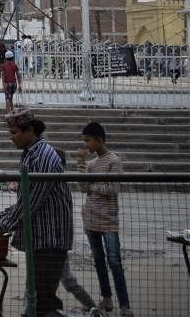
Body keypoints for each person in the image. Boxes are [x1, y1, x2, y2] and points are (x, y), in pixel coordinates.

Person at [0, 109, 73, 317]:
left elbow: (30, 202)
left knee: (42, 302)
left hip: (51, 238)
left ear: (29, 130)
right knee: (38, 298)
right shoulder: (31, 153)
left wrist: (0, 226)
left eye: (14, 132)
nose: (10, 137)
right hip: (40, 239)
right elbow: (25, 199)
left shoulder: (42, 156)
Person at [77, 121, 131, 316]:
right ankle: (106, 297)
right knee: (99, 259)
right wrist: (80, 164)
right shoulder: (90, 164)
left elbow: (113, 189)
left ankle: (124, 304)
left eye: (88, 141)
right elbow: (83, 187)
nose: (86, 145)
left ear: (99, 140)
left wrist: (92, 186)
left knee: (114, 260)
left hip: (108, 219)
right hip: (91, 217)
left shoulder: (113, 161)